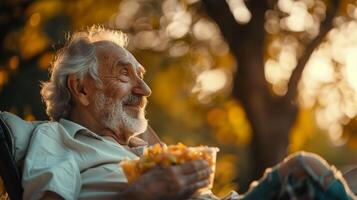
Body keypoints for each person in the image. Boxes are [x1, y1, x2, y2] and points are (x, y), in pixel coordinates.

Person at [21, 25, 356, 200]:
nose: (145, 90)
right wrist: (140, 196)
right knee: (302, 169)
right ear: (81, 88)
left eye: (143, 76)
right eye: (125, 74)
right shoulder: (58, 138)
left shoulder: (138, 147)